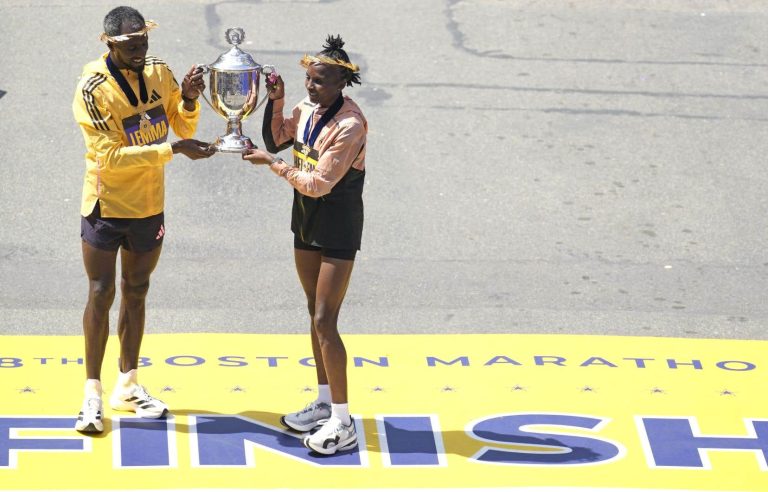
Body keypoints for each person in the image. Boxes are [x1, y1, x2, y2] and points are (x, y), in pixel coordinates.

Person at [72, 6, 215, 434]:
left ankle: (128, 384)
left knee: (137, 291)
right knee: (101, 292)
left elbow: (180, 120)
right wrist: (174, 150)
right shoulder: (92, 88)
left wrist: (188, 99)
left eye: (144, 44)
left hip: (149, 204)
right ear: (110, 44)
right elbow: (110, 157)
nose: (141, 52)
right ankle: (92, 395)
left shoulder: (158, 71)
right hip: (107, 205)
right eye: (132, 47)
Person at [242, 35, 367, 455]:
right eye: (308, 79)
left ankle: (344, 421)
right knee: (314, 314)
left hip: (337, 224)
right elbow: (279, 137)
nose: (311, 87)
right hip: (306, 220)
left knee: (325, 319)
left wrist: (272, 165)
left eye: (319, 81)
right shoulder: (307, 109)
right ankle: (324, 401)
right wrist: (275, 100)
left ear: (341, 82)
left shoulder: (350, 125)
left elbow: (317, 184)